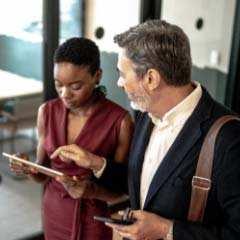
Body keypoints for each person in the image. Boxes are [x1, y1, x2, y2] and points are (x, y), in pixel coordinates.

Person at [52, 20, 240, 240]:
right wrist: (98, 164)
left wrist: (166, 229)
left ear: (151, 79)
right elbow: (145, 183)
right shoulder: (145, 114)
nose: (120, 83)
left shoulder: (230, 139)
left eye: (123, 74)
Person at [10, 37, 134, 240]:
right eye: (58, 85)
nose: (65, 94)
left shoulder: (120, 122)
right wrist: (29, 168)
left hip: (93, 217)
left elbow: (122, 191)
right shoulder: (47, 112)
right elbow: (43, 174)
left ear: (97, 76)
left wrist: (90, 191)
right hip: (54, 210)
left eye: (75, 86)